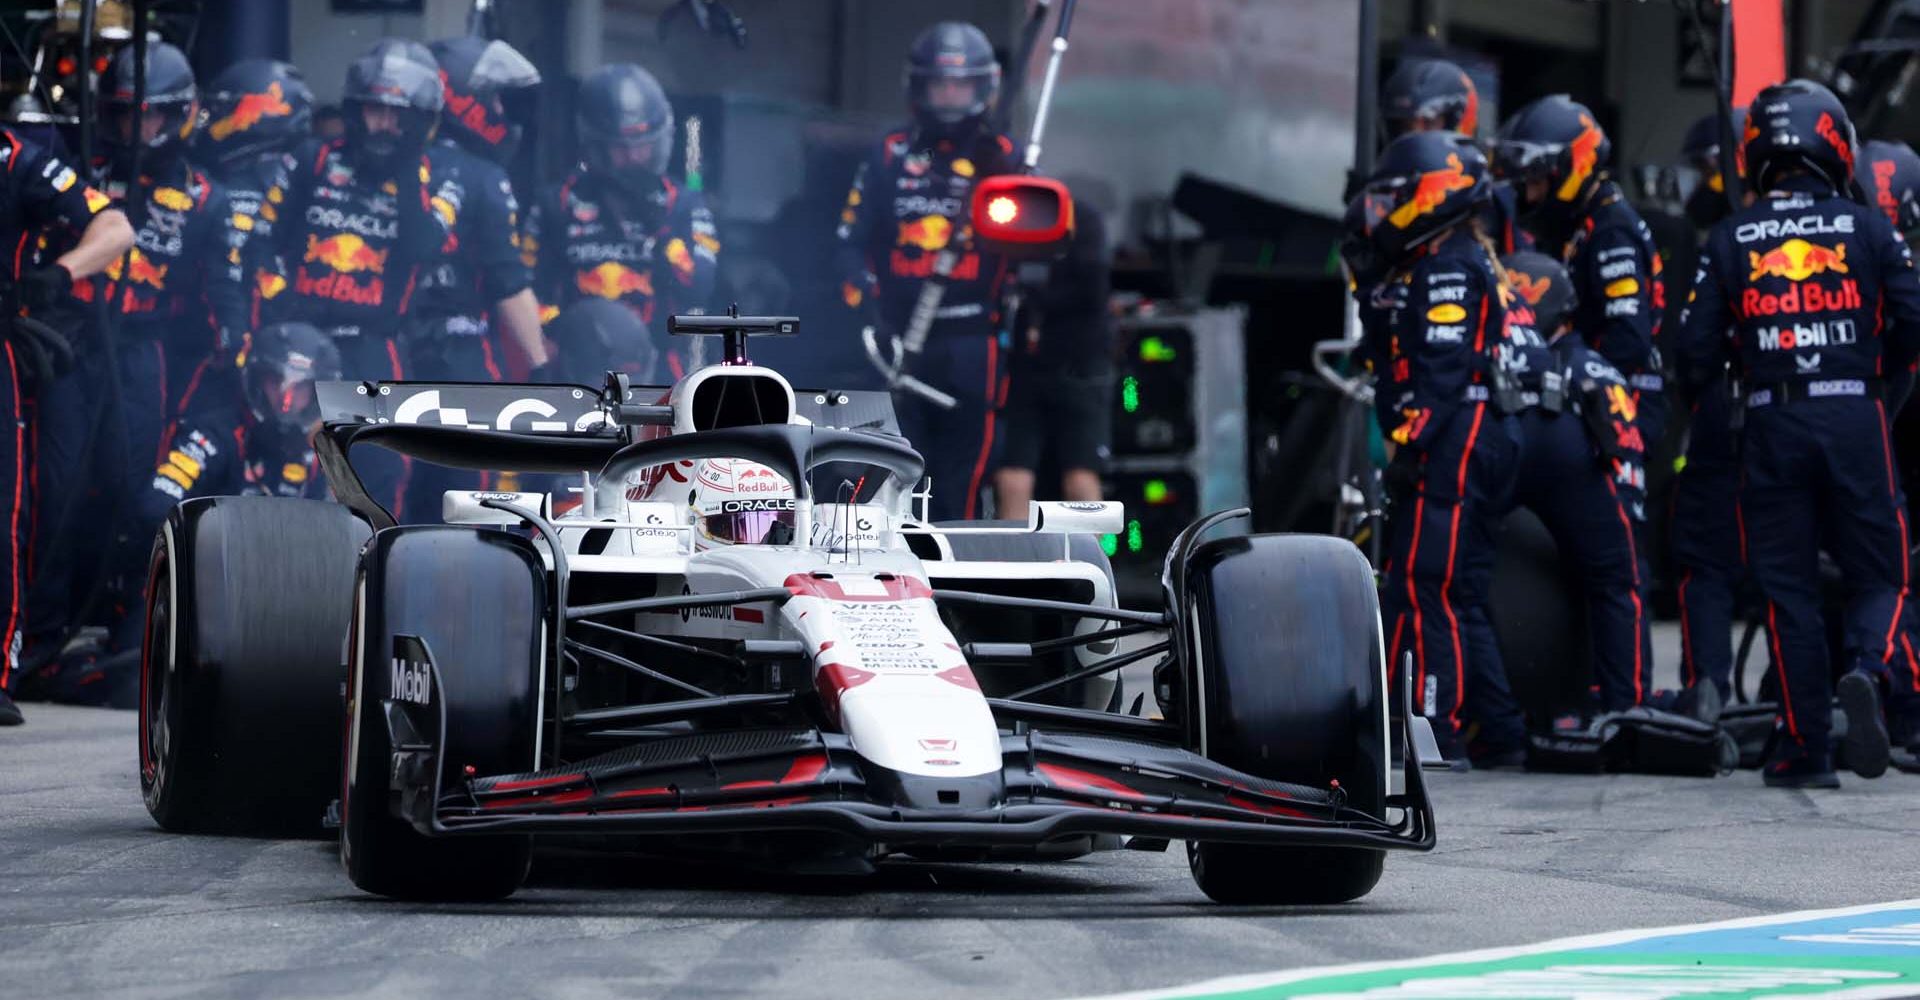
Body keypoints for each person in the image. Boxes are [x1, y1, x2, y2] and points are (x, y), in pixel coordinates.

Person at [1680, 80, 1920, 788]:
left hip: (1771, 418)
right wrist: (1883, 386)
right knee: (1886, 572)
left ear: (1756, 152)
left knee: (1788, 592)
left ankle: (1804, 750)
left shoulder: (1731, 235)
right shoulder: (1869, 228)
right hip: (1856, 413)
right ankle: (1870, 671)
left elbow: (1693, 351)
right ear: (1835, 143)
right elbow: (1912, 320)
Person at [21, 40, 242, 691]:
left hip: (148, 354)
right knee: (54, 484)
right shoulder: (76, 166)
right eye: (123, 116)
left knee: (132, 484)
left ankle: (127, 621)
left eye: (148, 117)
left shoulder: (205, 196)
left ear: (180, 116)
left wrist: (235, 344)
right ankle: (39, 632)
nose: (134, 130)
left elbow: (222, 291)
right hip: (71, 344)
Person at [1345, 131, 1524, 767]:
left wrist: (1409, 446)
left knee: (1428, 586)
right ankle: (1500, 735)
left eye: (1394, 196)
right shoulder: (1446, 256)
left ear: (1431, 192)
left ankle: (1434, 732)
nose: (1382, 209)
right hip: (1479, 432)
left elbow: (1441, 375)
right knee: (1459, 593)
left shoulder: (1449, 265)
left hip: (1458, 435)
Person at [1500, 250, 1718, 728]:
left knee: (1613, 582)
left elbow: (1613, 450)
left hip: (1594, 508)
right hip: (1601, 515)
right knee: (1620, 586)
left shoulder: (1570, 368)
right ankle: (1627, 701)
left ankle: (1615, 702)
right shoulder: (1588, 364)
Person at [1493, 96, 1666, 677]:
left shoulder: (1611, 229)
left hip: (1625, 407)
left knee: (1618, 565)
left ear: (1573, 166)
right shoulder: (1579, 225)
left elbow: (1628, 339)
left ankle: (1627, 698)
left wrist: (1571, 366)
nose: (1531, 192)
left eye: (1539, 178)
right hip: (1597, 405)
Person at [253, 38, 450, 520]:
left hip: (371, 348)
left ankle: (372, 575)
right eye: (375, 111)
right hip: (300, 342)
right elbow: (259, 242)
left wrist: (407, 176)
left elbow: (426, 247)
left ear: (417, 120)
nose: (383, 124)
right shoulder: (311, 160)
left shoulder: (433, 178)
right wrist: (278, 310)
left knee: (378, 471)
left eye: (396, 114)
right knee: (284, 461)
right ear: (355, 110)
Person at [836, 21, 1018, 522]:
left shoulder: (1006, 157)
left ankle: (957, 580)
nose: (951, 97)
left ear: (984, 88)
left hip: (972, 337)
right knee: (897, 465)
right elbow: (848, 245)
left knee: (964, 470)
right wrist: (870, 316)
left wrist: (1010, 182)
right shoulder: (888, 153)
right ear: (919, 87)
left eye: (961, 85)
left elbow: (1035, 246)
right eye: (941, 84)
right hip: (899, 339)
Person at [0, 127, 135, 725]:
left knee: (8, 509)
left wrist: (57, 274)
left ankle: (2, 669)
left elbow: (116, 229)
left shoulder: (13, 156)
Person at [524, 63, 717, 381]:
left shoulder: (683, 205)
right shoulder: (556, 205)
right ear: (596, 146)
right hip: (575, 370)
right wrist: (562, 334)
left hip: (662, 372)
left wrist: (662, 234)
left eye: (644, 146)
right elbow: (526, 295)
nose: (635, 158)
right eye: (622, 148)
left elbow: (699, 289)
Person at [1667, 110, 1747, 704]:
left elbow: (1693, 344)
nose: (1701, 182)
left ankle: (1708, 686)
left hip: (1729, 406)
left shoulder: (1724, 241)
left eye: (1707, 169)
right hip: (1813, 413)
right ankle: (1797, 699)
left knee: (1704, 557)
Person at [196, 58, 315, 395]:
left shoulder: (246, 182)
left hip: (247, 344)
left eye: (223, 108)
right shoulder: (309, 175)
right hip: (288, 345)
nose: (210, 119)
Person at [994, 198, 1113, 514]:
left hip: (1068, 367)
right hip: (1049, 369)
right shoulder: (1082, 221)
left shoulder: (1079, 221)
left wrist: (1031, 297)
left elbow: (1093, 291)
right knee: (1045, 473)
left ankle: (1013, 560)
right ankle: (1091, 561)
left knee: (1067, 474)